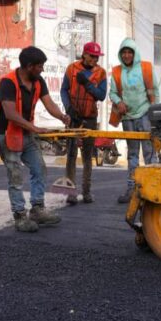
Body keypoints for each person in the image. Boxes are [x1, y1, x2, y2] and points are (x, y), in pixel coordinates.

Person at [0, 46, 71, 232]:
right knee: (15, 175)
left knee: (39, 168)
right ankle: (20, 216)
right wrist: (34, 127)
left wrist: (61, 116)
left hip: (26, 133)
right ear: (29, 66)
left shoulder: (37, 81)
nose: (42, 69)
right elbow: (10, 113)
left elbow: (48, 102)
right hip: (8, 133)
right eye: (39, 66)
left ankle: (37, 209)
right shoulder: (8, 83)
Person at [109, 38, 159, 204]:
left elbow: (154, 91)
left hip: (145, 114)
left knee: (149, 153)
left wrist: (155, 115)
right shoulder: (116, 71)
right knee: (132, 155)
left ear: (135, 53)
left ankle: (153, 188)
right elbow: (113, 93)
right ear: (120, 54)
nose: (127, 55)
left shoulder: (146, 68)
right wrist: (119, 102)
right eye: (124, 52)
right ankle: (132, 189)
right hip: (128, 117)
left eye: (130, 52)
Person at [60, 42, 107, 205]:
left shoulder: (101, 73)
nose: (95, 59)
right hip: (74, 118)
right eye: (92, 56)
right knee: (71, 156)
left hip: (89, 118)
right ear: (84, 54)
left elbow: (101, 95)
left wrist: (87, 84)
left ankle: (86, 192)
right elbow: (63, 90)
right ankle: (70, 194)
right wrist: (68, 107)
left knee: (87, 156)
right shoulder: (71, 69)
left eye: (97, 57)